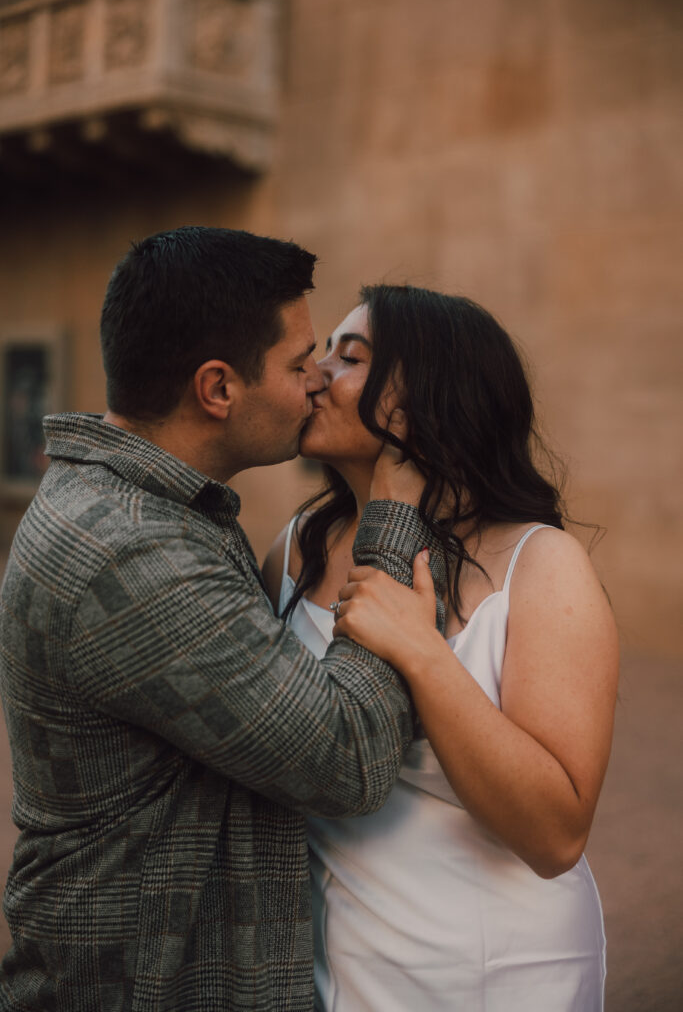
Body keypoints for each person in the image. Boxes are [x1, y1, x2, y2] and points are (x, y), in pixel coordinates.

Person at [0, 229, 445, 1012]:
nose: (317, 381)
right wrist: (391, 510)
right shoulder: (133, 553)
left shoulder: (142, 506)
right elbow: (347, 758)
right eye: (299, 361)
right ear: (217, 388)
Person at [263, 284, 619, 1011]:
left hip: (490, 974)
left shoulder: (539, 566)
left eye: (349, 356)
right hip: (328, 970)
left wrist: (421, 655)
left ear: (426, 394)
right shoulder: (296, 549)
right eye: (321, 351)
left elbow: (555, 836)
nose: (316, 373)